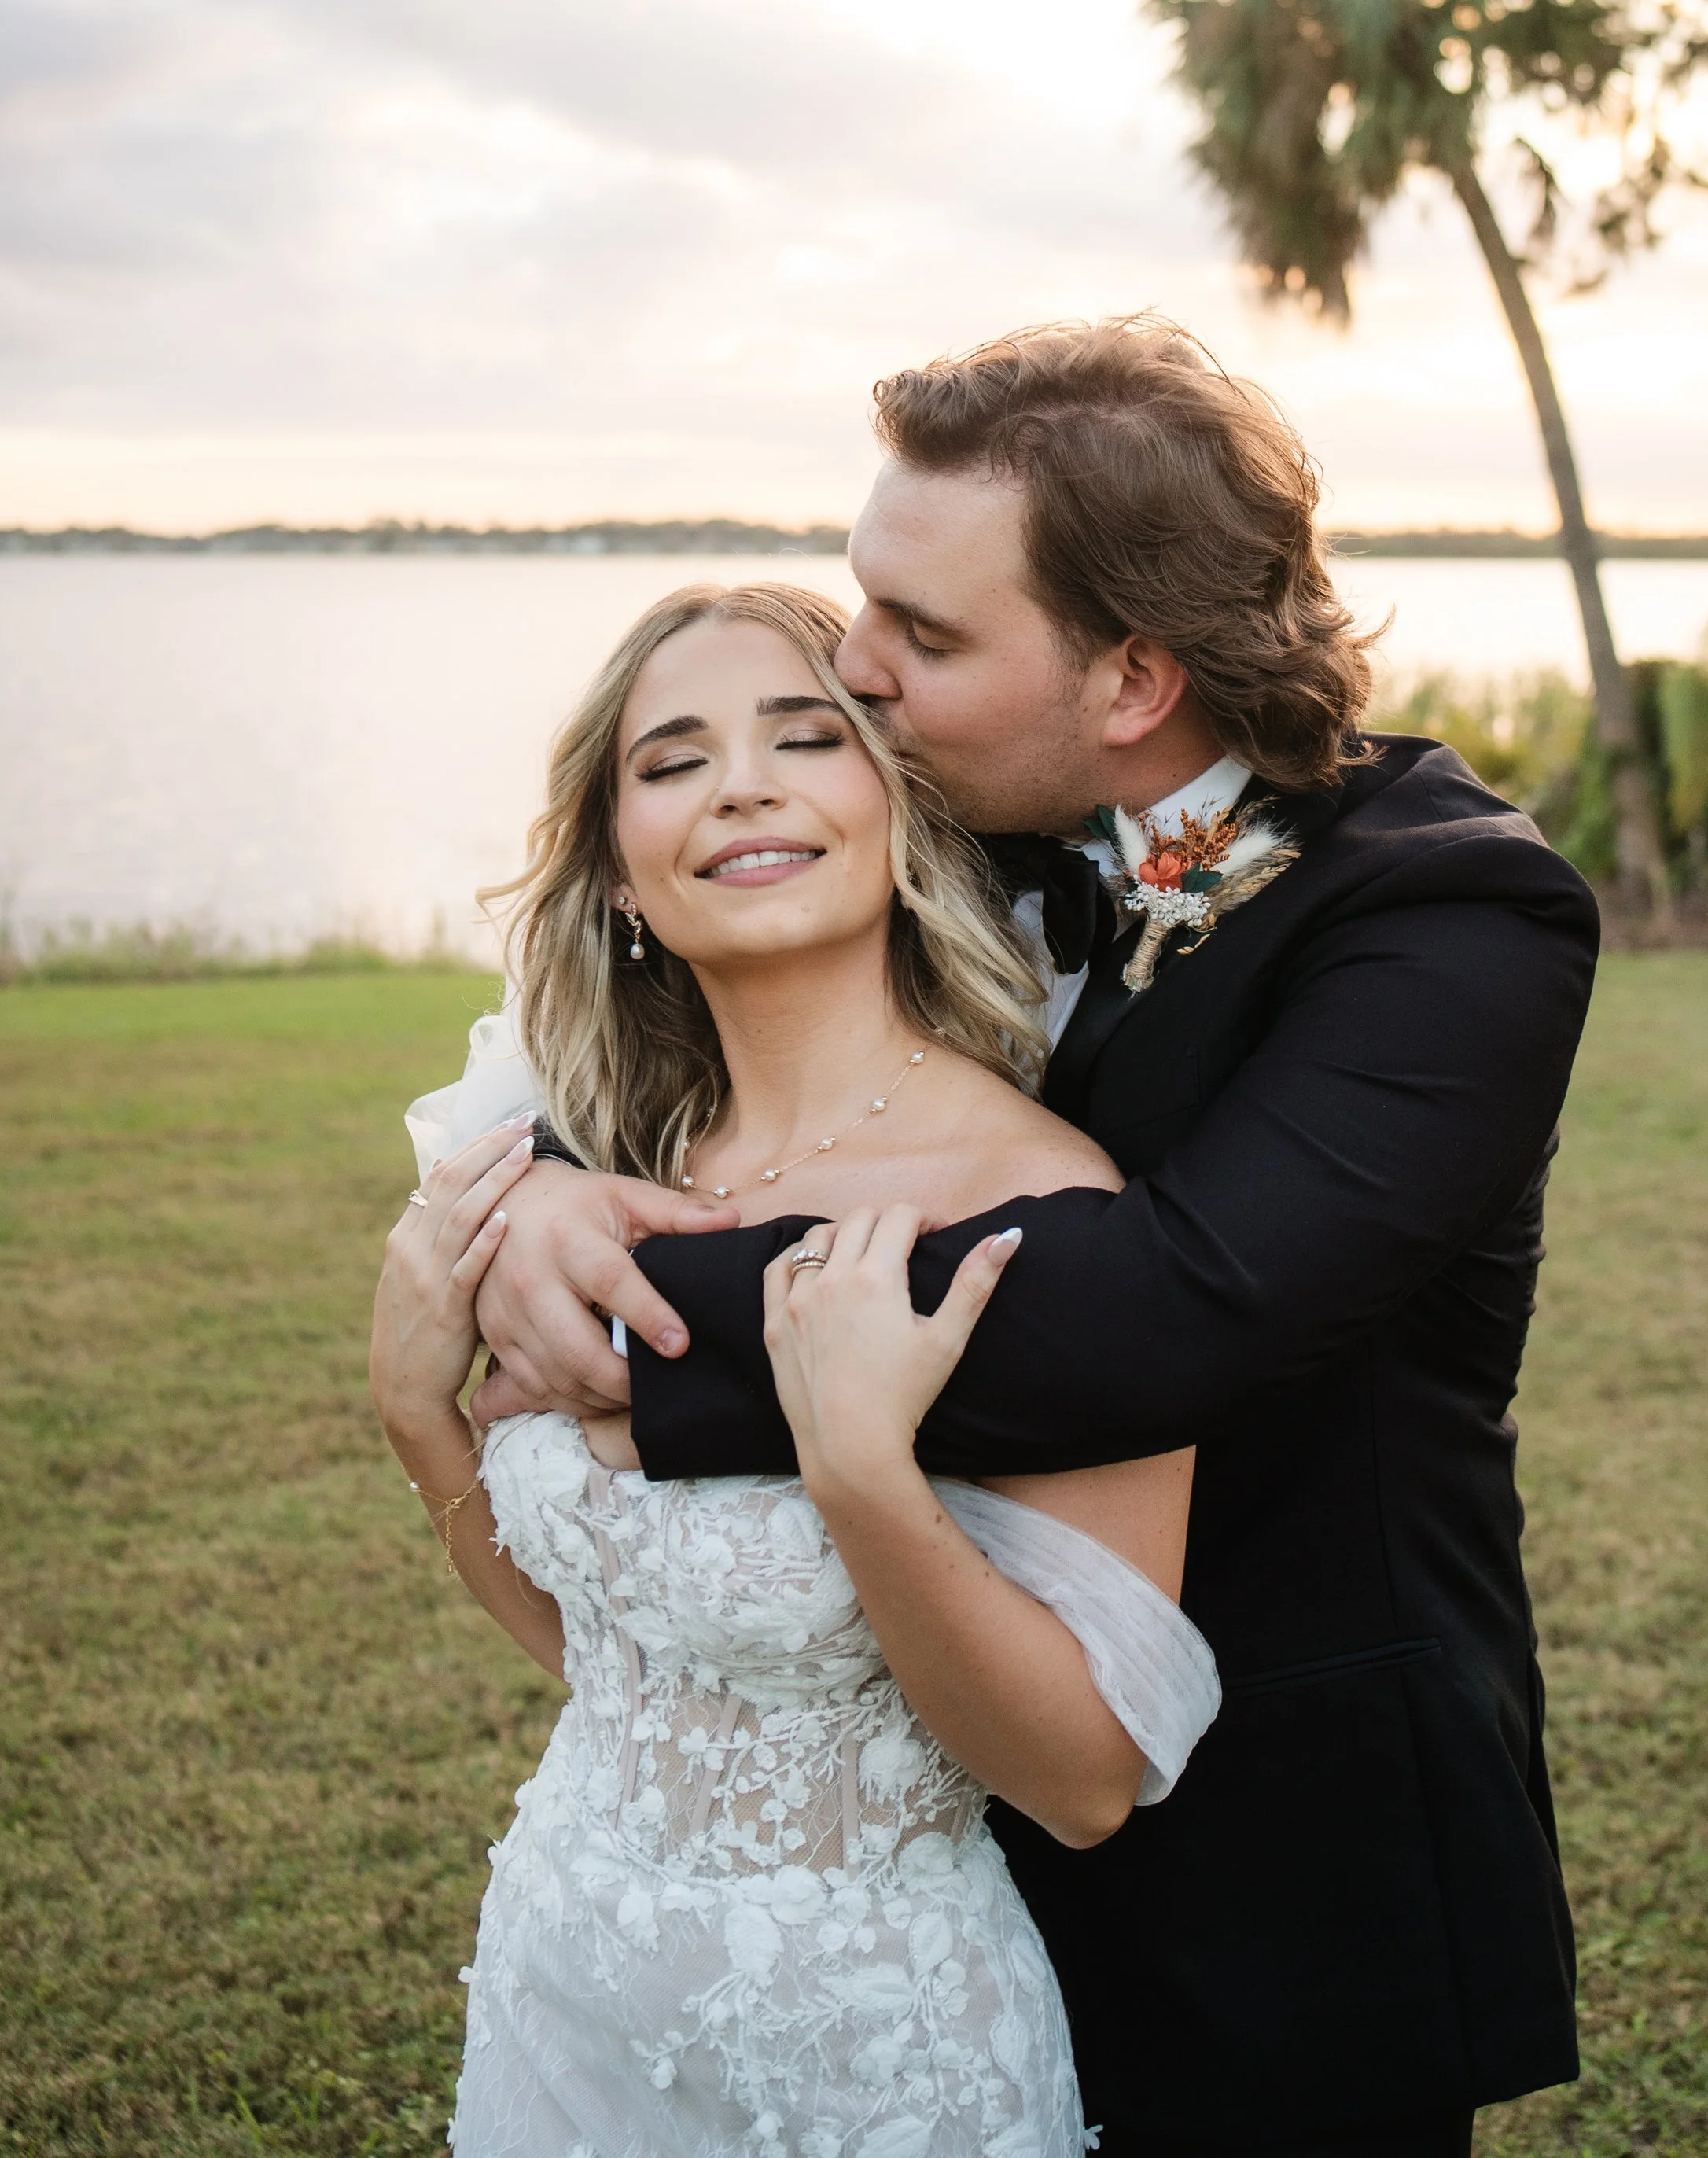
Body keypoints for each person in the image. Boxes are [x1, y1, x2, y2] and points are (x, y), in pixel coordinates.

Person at [472, 315, 1603, 2158]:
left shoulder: (1452, 924)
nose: (855, 674)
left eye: (919, 638)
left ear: (1133, 676)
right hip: (926, 1805)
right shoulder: (969, 812)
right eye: (864, 606)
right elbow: (696, 1007)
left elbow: (1165, 1314)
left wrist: (635, 1330)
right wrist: (539, 1189)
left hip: (1277, 1848)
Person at [370, 581, 1220, 2158]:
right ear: (621, 871)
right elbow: (615, 1668)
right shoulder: (597, 1179)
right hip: (566, 1988)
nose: (740, 785)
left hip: (871, 2053)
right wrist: (418, 1416)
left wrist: (861, 1478)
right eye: (672, 759)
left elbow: (1085, 1781)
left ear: (894, 813)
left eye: (802, 736)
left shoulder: (1042, 1210)